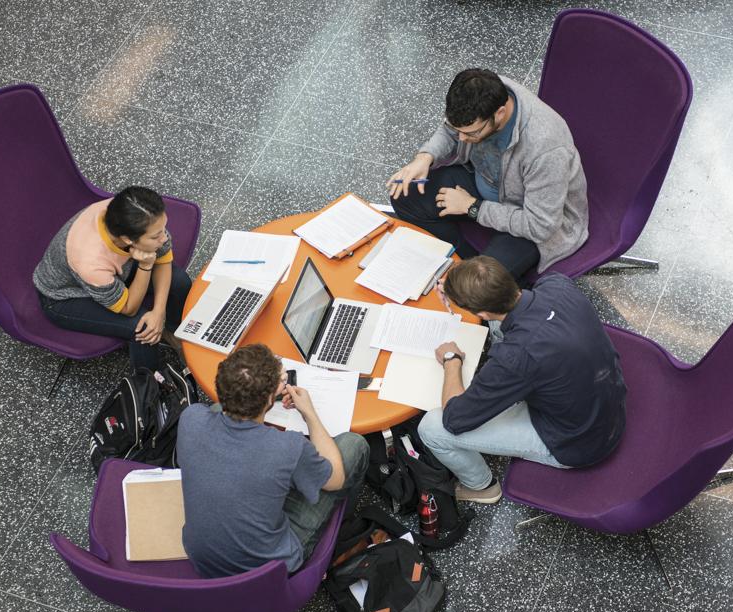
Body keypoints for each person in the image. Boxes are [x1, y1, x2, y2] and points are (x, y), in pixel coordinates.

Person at [418, 256, 626, 504]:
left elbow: (454, 418)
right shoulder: (557, 284)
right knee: (498, 329)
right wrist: (455, 284)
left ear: (481, 312)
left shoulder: (516, 357)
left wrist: (452, 360)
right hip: (602, 401)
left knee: (431, 428)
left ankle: (482, 487)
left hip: (579, 441)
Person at [177, 344, 369, 578]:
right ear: (270, 397)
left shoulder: (191, 418)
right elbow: (335, 479)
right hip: (269, 567)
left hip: (204, 558)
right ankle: (338, 527)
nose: (283, 382)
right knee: (353, 445)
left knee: (216, 409)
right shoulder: (288, 447)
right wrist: (309, 413)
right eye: (281, 380)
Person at [387, 68, 588, 282]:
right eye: (460, 131)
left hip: (528, 215)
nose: (461, 139)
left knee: (479, 284)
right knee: (403, 194)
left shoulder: (546, 149)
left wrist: (472, 207)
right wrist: (425, 157)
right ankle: (462, 261)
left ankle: (483, 281)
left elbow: (540, 226)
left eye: (471, 133)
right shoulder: (483, 92)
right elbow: (451, 130)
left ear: (499, 114)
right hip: (485, 182)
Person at [33, 186, 192, 371]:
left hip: (115, 273)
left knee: (180, 281)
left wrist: (159, 312)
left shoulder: (134, 215)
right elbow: (129, 308)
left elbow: (164, 260)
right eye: (156, 235)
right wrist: (145, 266)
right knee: (141, 327)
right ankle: (148, 385)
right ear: (127, 240)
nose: (164, 238)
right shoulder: (89, 260)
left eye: (163, 228)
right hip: (65, 297)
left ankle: (172, 333)